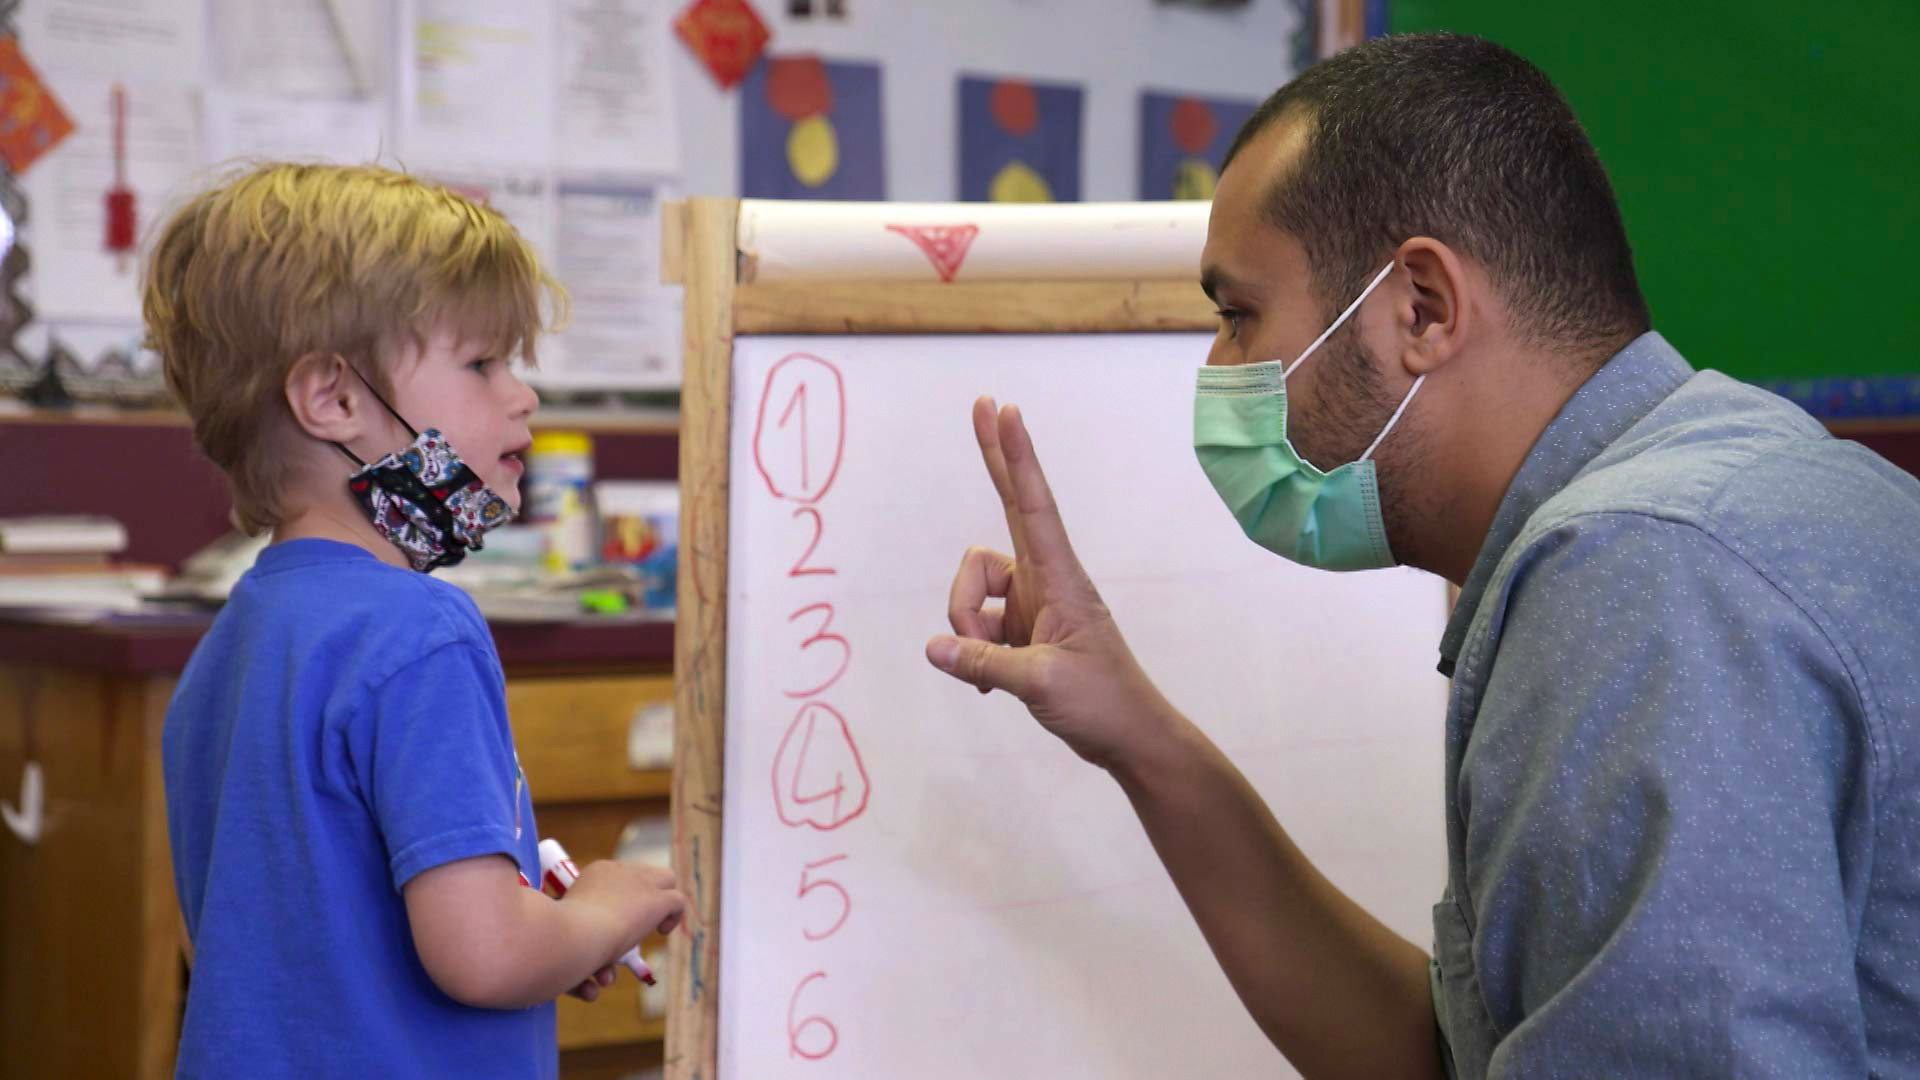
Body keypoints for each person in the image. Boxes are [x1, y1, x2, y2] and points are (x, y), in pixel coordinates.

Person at [926, 32, 1920, 1078]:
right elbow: (1451, 1059)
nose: (1217, 368)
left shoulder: (1640, 582)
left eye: (1237, 315)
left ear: (1422, 308)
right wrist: (1139, 735)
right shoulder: (1726, 497)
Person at [146, 163, 685, 1078]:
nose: (523, 397)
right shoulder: (419, 632)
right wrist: (602, 907)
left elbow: (294, 934)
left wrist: (545, 925)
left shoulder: (231, 646)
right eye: (482, 364)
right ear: (335, 400)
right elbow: (486, 956)